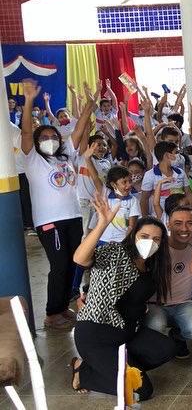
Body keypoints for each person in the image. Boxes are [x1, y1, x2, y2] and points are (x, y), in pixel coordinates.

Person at [71, 197, 175, 400]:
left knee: (168, 348)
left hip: (128, 335)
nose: (150, 242)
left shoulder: (153, 265)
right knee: (141, 391)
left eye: (156, 239)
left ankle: (116, 367)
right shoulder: (116, 252)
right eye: (144, 236)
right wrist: (102, 224)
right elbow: (80, 258)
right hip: (97, 334)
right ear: (134, 235)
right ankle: (83, 372)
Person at [20, 79, 97, 329]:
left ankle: (63, 308)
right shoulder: (33, 160)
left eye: (54, 135)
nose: (51, 139)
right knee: (59, 265)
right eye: (45, 136)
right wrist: (29, 100)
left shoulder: (65, 156)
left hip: (73, 217)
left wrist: (89, 104)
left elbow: (79, 128)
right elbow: (26, 133)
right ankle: (52, 313)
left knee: (74, 261)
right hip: (49, 222)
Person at [144, 206, 192, 359]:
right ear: (168, 225)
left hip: (183, 303)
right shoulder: (156, 246)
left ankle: (177, 336)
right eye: (178, 223)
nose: (184, 228)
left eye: (189, 223)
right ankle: (162, 345)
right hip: (154, 304)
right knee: (155, 326)